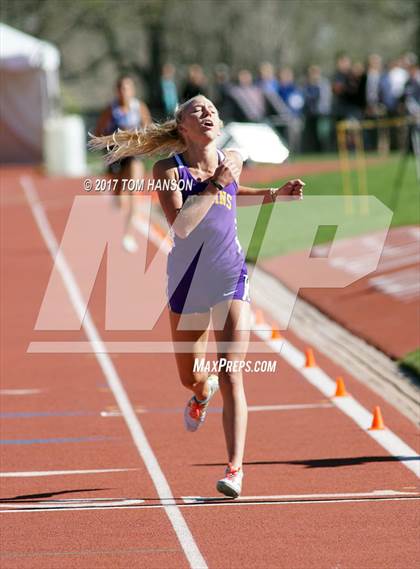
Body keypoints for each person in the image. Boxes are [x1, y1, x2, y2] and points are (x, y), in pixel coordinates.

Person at [89, 95, 305, 498]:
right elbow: (182, 225)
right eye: (196, 110)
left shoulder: (233, 161)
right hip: (188, 282)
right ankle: (199, 394)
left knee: (231, 372)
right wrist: (216, 182)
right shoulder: (167, 170)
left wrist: (275, 194)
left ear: (218, 124)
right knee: (191, 377)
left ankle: (235, 469)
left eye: (211, 109)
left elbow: (234, 192)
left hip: (229, 276)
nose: (207, 113)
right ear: (182, 126)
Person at [95, 74, 152, 252]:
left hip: (133, 154)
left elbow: (149, 128)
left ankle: (128, 234)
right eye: (121, 88)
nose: (124, 92)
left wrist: (141, 138)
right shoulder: (111, 110)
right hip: (115, 155)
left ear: (132, 90)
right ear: (117, 90)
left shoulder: (139, 107)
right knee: (119, 195)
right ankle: (118, 208)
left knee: (134, 190)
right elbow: (98, 132)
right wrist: (112, 139)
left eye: (127, 88)